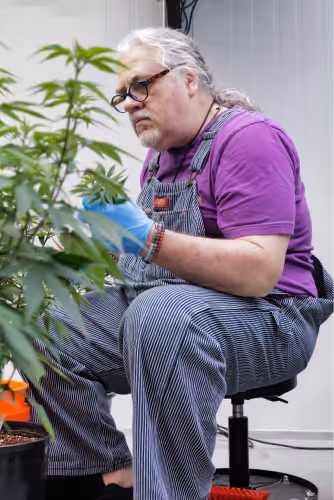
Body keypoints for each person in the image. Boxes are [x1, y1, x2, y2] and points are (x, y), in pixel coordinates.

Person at [30, 27, 334, 500]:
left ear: (189, 79)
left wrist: (145, 237)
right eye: (121, 96)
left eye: (139, 86)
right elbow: (149, 263)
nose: (129, 103)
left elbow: (258, 272)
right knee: (49, 321)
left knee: (161, 318)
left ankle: (167, 492)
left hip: (273, 316)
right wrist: (83, 252)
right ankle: (104, 479)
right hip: (167, 305)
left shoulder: (249, 139)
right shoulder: (159, 160)